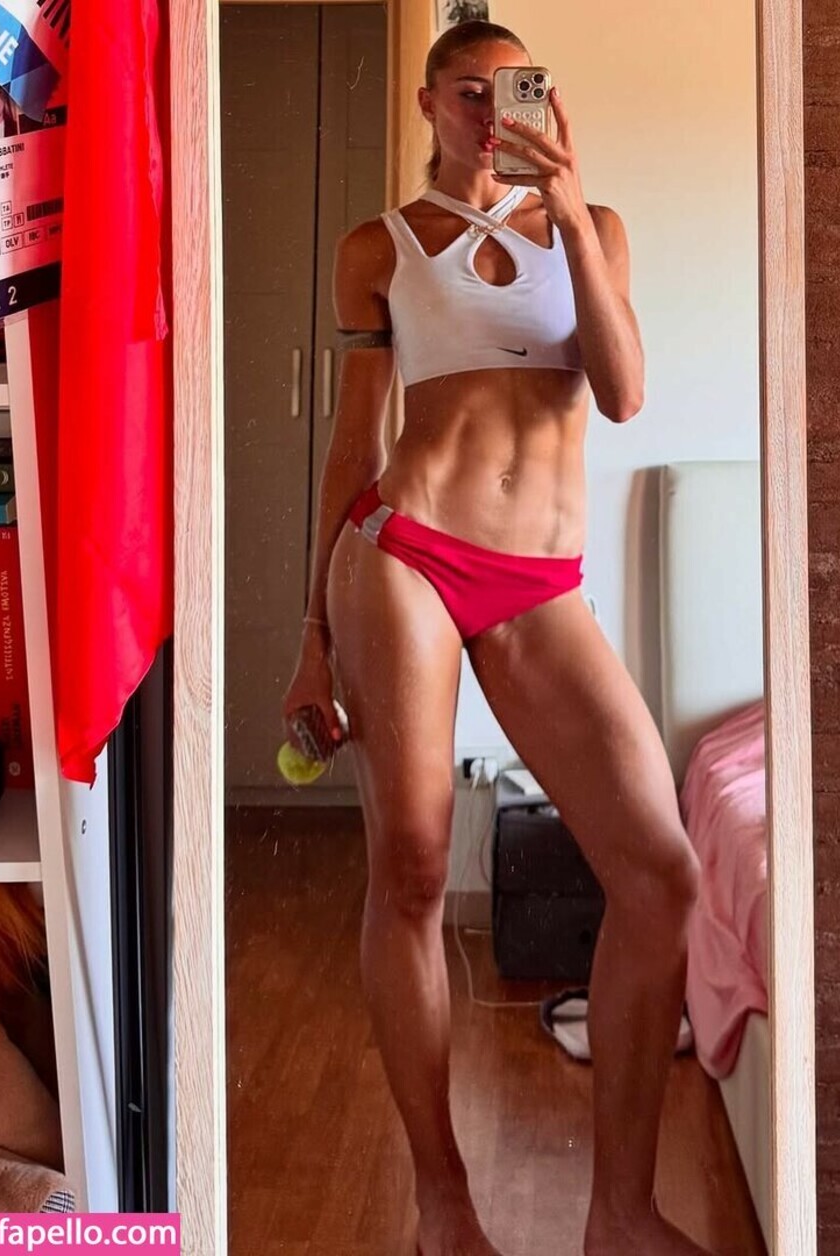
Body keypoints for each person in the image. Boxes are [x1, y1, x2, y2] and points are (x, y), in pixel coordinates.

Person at [283, 20, 711, 1256]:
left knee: (662, 875)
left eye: (513, 90)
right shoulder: (380, 246)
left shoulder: (593, 227)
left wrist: (567, 209)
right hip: (405, 554)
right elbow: (355, 442)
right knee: (414, 865)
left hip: (538, 581)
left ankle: (621, 1214)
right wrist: (310, 633)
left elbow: (622, 392)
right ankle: (443, 1202)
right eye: (469, 91)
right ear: (428, 101)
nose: (491, 112)